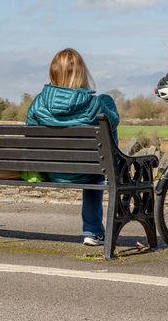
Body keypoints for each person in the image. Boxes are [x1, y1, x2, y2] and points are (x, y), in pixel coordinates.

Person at [26, 48, 119, 246]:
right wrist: (107, 102)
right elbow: (115, 121)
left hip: (52, 171)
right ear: (81, 73)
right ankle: (93, 232)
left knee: (97, 159)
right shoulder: (95, 104)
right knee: (101, 157)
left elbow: (29, 136)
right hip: (89, 171)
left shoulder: (38, 103)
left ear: (53, 72)